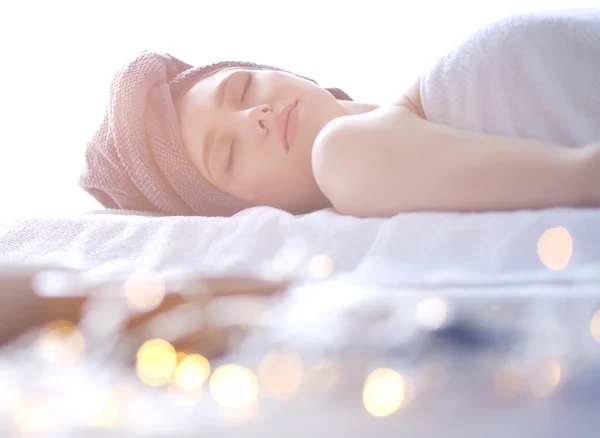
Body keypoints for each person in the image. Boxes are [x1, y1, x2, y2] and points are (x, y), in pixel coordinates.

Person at [79, 8, 600, 218]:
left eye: (242, 88)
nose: (254, 116)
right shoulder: (343, 155)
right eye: (230, 153)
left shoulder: (412, 108)